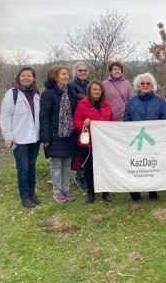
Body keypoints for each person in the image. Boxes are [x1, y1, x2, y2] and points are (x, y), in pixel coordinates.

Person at [0, 66, 41, 209]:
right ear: (19, 77)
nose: (26, 78)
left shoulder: (36, 93)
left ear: (33, 78)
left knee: (32, 166)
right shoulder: (13, 93)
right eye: (23, 76)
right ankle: (25, 196)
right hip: (19, 138)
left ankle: (32, 193)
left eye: (29, 76)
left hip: (34, 137)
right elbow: (5, 116)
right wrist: (8, 136)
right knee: (23, 168)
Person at [123, 72, 166, 201]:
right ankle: (135, 192)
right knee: (136, 165)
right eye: (142, 83)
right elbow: (126, 120)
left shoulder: (159, 101)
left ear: (152, 85)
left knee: (152, 165)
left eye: (148, 83)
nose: (145, 85)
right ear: (138, 85)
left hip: (153, 141)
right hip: (136, 141)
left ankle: (152, 190)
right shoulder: (131, 102)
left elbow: (164, 118)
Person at [40, 65, 78, 204]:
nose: (66, 76)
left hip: (69, 134)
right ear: (55, 77)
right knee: (56, 164)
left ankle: (66, 188)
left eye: (67, 74)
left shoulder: (71, 92)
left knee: (67, 163)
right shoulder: (48, 94)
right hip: (55, 134)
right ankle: (57, 190)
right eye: (63, 74)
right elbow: (43, 117)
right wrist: (45, 138)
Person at [73, 80, 115, 203]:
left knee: (104, 167)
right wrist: (83, 124)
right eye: (94, 89)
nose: (97, 92)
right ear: (89, 91)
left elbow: (112, 122)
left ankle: (105, 192)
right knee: (89, 169)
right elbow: (75, 123)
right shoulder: (82, 105)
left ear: (102, 91)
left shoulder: (107, 105)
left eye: (99, 89)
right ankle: (91, 193)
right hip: (88, 144)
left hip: (103, 142)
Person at [68, 62, 90, 191]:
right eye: (80, 70)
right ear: (75, 72)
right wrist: (88, 98)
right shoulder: (71, 85)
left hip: (89, 120)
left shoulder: (88, 84)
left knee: (87, 148)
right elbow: (76, 99)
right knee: (79, 149)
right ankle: (79, 175)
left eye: (85, 70)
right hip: (77, 119)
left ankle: (87, 174)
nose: (83, 72)